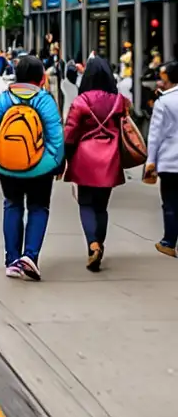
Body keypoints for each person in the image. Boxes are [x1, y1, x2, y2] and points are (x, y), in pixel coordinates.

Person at [0, 55, 65, 280]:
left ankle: (12, 261)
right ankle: (30, 256)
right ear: (40, 78)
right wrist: (54, 164)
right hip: (40, 168)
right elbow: (56, 137)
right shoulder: (44, 100)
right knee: (38, 208)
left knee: (12, 206)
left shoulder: (4, 99)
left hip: (8, 167)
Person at [63, 57, 130, 272]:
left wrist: (64, 158)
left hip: (85, 156)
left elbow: (70, 133)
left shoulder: (81, 101)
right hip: (110, 157)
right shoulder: (119, 101)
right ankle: (99, 243)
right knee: (102, 206)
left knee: (86, 203)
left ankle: (92, 244)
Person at [145, 61, 178, 257]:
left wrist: (151, 161)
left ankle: (169, 242)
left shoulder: (164, 102)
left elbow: (155, 135)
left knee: (171, 202)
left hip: (170, 162)